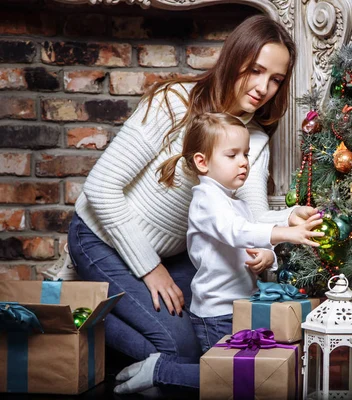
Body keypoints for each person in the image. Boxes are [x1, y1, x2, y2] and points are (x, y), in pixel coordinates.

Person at [67, 15, 316, 394]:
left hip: (172, 254)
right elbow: (101, 189)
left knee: (204, 344)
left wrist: (290, 218)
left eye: (276, 79)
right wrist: (150, 270)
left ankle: (141, 349)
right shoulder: (173, 102)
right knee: (176, 348)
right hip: (100, 237)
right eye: (256, 70)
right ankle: (84, 309)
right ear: (235, 60)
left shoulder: (254, 139)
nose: (264, 88)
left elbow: (250, 217)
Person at [158, 112, 323, 353]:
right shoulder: (205, 200)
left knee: (239, 376)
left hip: (243, 307)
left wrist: (268, 257)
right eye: (232, 155)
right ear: (202, 162)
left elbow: (251, 238)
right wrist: (288, 233)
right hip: (216, 314)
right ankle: (159, 370)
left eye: (245, 153)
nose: (244, 161)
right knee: (221, 381)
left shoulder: (237, 203)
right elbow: (237, 232)